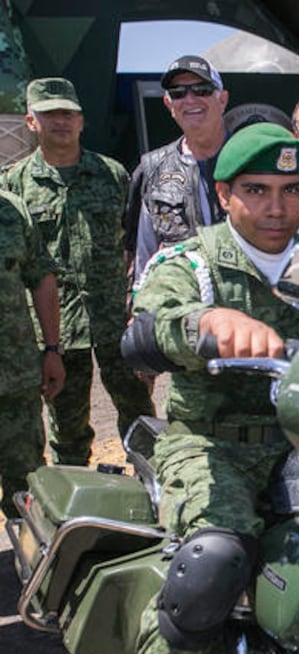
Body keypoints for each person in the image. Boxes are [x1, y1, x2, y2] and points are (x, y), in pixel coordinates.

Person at [125, 123, 299, 654]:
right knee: (213, 562)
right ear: (223, 194)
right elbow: (147, 328)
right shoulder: (192, 263)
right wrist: (206, 322)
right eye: (256, 191)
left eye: (290, 190)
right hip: (209, 444)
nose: (277, 208)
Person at [0, 77, 153, 466]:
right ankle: (77, 515)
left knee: (141, 419)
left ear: (82, 121)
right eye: (49, 115)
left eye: (68, 113)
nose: (61, 122)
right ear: (31, 122)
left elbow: (134, 246)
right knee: (67, 431)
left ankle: (152, 497)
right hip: (56, 333)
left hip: (115, 322)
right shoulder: (14, 186)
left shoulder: (113, 175)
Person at [126, 55, 229, 284]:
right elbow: (143, 255)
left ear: (222, 100)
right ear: (168, 104)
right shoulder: (151, 169)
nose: (190, 99)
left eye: (201, 90)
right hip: (181, 306)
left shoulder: (251, 159)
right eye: (178, 93)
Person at [0, 189, 63, 518]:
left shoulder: (11, 209)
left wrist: (52, 349)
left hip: (16, 383)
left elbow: (42, 279)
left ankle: (28, 567)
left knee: (26, 488)